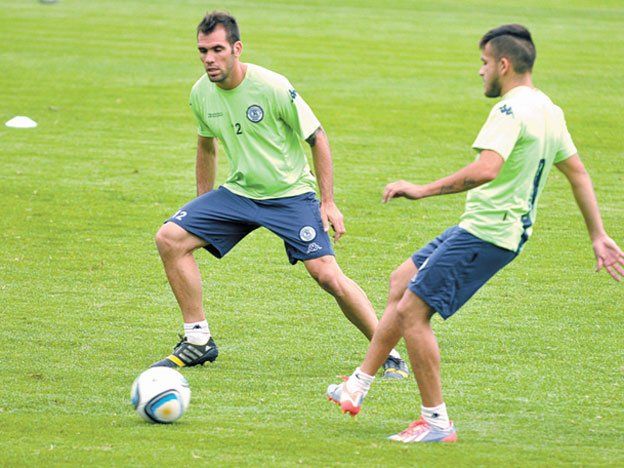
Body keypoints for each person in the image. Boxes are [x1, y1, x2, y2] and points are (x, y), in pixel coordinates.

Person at [326, 24, 624, 443]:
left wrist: (422, 189)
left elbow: (487, 169)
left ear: (503, 64)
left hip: (489, 232)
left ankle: (435, 421)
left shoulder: (510, 111)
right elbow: (577, 173)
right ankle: (357, 384)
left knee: (413, 313)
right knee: (402, 280)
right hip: (486, 227)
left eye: (484, 63)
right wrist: (598, 234)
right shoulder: (548, 110)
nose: (480, 71)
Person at [150, 11, 408, 378]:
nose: (209, 59)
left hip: (290, 194)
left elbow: (317, 137)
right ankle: (198, 339)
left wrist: (328, 201)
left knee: (327, 276)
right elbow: (206, 146)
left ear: (237, 49)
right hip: (240, 192)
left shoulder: (271, 86)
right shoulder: (201, 93)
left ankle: (389, 353)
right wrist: (201, 203)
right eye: (203, 51)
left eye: (217, 49)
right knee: (170, 238)